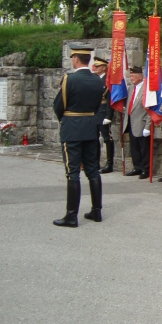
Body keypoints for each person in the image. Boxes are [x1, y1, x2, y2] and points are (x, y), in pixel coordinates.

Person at [53, 44, 105, 227]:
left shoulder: (69, 79)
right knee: (92, 170)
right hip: (91, 129)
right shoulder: (99, 81)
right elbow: (99, 107)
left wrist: (66, 121)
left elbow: (59, 105)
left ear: (76, 59)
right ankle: (97, 211)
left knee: (72, 172)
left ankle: (71, 215)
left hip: (72, 129)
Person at [122, 66, 152, 180]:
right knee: (134, 147)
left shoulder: (146, 88)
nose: (131, 78)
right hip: (131, 121)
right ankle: (137, 167)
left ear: (140, 76)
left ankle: (146, 169)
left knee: (144, 148)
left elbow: (150, 108)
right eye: (130, 76)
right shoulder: (131, 88)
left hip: (142, 122)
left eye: (133, 76)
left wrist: (148, 126)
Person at [91, 57, 115, 173]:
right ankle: (95, 162)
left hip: (103, 111)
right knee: (94, 138)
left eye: (98, 66)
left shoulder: (107, 80)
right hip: (94, 112)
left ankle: (109, 164)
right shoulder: (94, 79)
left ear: (104, 68)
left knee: (107, 138)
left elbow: (110, 99)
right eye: (95, 66)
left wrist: (109, 116)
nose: (95, 68)